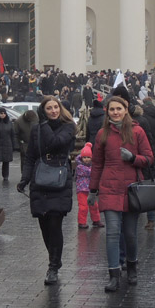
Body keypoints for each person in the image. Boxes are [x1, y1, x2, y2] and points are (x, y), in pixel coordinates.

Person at [88, 96, 154, 292]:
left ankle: (132, 266)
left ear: (126, 110)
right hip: (109, 187)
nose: (115, 112)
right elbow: (97, 163)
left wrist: (134, 158)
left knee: (130, 234)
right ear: (107, 112)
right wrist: (93, 190)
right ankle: (113, 274)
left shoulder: (137, 131)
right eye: (112, 109)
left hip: (131, 189)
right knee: (112, 233)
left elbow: (149, 158)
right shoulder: (102, 134)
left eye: (119, 109)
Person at [17, 96, 76, 285]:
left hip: (59, 179)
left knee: (54, 222)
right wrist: (24, 178)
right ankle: (55, 259)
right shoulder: (37, 129)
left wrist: (43, 124)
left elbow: (53, 143)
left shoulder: (68, 127)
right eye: (49, 108)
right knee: (44, 225)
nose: (53, 111)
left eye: (55, 107)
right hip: (40, 179)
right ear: (44, 110)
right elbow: (31, 155)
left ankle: (53, 266)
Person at [75, 143, 102, 229]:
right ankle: (81, 222)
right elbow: (90, 172)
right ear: (81, 158)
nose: (86, 159)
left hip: (90, 190)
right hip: (82, 190)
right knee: (83, 207)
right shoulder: (80, 167)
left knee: (94, 206)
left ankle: (96, 220)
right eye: (84, 157)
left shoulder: (92, 167)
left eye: (88, 157)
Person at [14, 107, 39, 175]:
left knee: (35, 160)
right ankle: (24, 174)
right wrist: (18, 147)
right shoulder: (18, 122)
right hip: (24, 144)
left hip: (35, 143)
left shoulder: (35, 118)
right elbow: (15, 135)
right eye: (30, 120)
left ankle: (34, 174)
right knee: (24, 161)